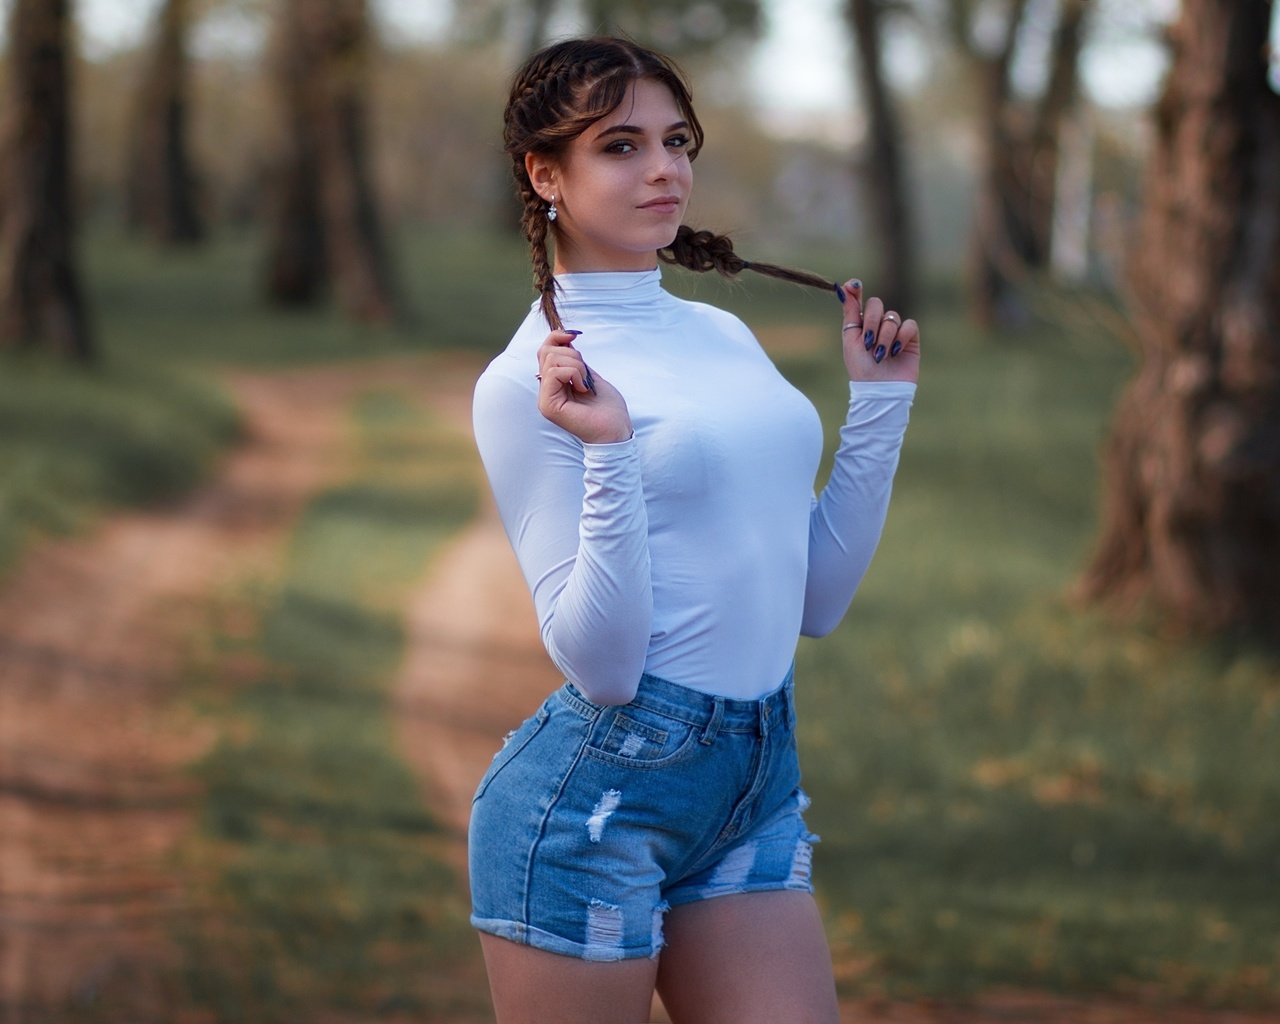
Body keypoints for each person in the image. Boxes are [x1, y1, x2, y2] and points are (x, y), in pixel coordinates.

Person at [469, 36, 920, 1024]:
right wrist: (608, 449)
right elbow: (603, 666)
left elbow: (816, 600)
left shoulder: (721, 332)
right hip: (595, 806)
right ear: (546, 174)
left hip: (754, 776)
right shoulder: (525, 384)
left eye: (676, 141)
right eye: (621, 146)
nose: (665, 168)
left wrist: (879, 406)